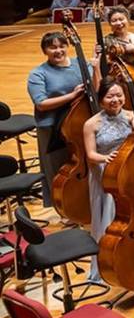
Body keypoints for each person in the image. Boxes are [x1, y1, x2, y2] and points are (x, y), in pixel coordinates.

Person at [27, 32, 100, 207]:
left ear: (67, 47)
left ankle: (86, 203)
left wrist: (96, 68)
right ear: (45, 50)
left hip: (79, 123)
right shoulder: (38, 74)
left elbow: (96, 90)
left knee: (83, 166)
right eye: (52, 47)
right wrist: (72, 95)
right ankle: (63, 207)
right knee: (58, 170)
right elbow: (41, 104)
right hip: (53, 127)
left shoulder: (79, 64)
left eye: (61, 46)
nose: (58, 50)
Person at [80, 79, 134, 283]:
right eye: (110, 96)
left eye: (119, 95)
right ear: (101, 100)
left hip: (128, 171)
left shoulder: (130, 116)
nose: (116, 99)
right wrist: (106, 159)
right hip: (106, 173)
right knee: (109, 218)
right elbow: (91, 155)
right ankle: (107, 263)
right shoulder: (92, 124)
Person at [104, 5, 134, 108]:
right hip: (115, 81)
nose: (118, 23)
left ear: (128, 20)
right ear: (110, 24)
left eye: (121, 19)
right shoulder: (106, 40)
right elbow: (101, 64)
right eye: (114, 21)